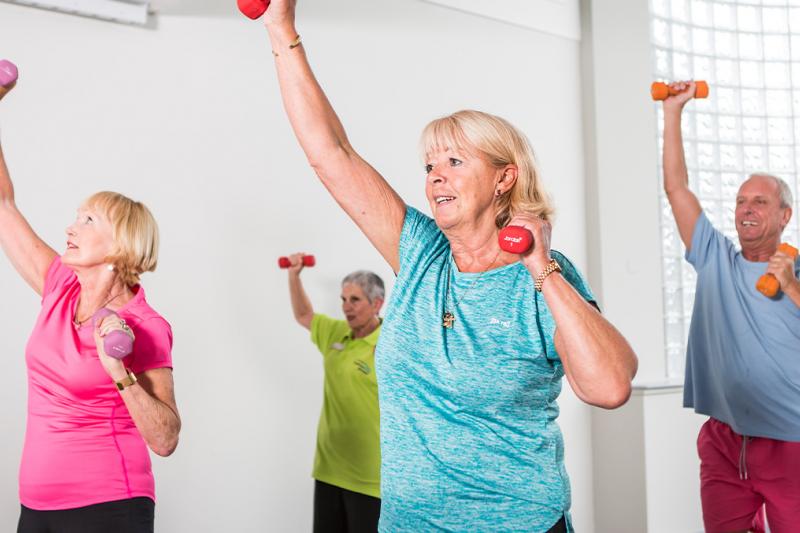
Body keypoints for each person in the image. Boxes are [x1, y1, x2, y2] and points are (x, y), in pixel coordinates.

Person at [260, 2, 638, 531]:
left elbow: (610, 387)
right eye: (429, 166)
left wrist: (540, 265)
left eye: (455, 162)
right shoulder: (420, 254)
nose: (435, 176)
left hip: (518, 523)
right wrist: (282, 30)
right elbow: (331, 154)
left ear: (504, 178)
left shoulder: (542, 278)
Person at [0, 83, 180, 533]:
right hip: (35, 507)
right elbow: (3, 203)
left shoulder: (145, 325)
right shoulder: (59, 284)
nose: (70, 227)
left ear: (121, 244)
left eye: (87, 220)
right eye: (76, 216)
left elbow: (165, 438)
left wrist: (120, 372)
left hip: (108, 507)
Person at [660, 81, 800, 533]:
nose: (746, 209)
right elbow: (676, 187)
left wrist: (790, 285)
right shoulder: (713, 257)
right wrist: (673, 111)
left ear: (784, 216)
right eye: (741, 201)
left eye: (760, 201)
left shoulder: (794, 269)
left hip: (792, 443)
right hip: (725, 441)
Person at [285, 254, 383, 532]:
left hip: (369, 476)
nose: (346, 308)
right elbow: (304, 315)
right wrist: (294, 275)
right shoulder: (336, 333)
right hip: (329, 469)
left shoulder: (390, 345)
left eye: (355, 300)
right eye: (343, 299)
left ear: (377, 304)